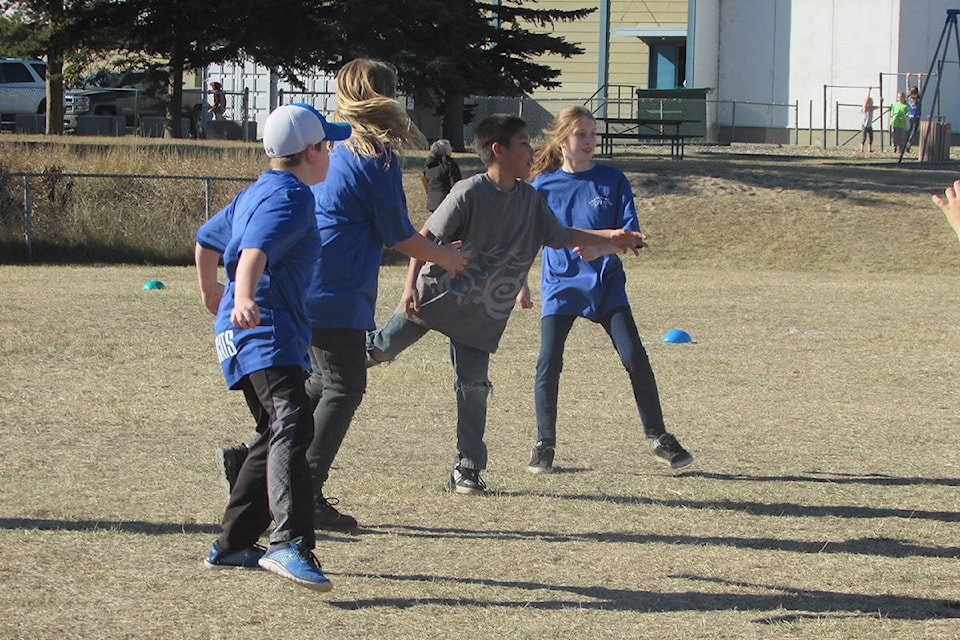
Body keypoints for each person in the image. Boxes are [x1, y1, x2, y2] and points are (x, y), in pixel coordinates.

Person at [217, 59, 470, 532]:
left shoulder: (328, 147)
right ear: (386, 96)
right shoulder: (374, 156)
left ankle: (253, 464)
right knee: (344, 385)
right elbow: (397, 234)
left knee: (317, 383)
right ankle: (303, 491)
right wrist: (445, 258)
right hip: (335, 290)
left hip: (301, 285)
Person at [365, 113, 648, 495]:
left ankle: (467, 468)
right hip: (436, 297)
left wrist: (611, 237)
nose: (532, 152)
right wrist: (408, 288)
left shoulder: (531, 201)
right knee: (380, 351)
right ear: (498, 151)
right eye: (522, 144)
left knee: (474, 387)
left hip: (479, 315)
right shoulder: (468, 191)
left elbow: (561, 235)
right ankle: (327, 366)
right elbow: (425, 235)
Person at [196, 104, 351, 591]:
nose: (331, 153)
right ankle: (288, 543)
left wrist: (211, 295)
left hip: (242, 329)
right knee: (292, 420)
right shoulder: (292, 197)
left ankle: (233, 544)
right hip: (264, 327)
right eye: (328, 145)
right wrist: (240, 296)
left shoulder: (257, 189)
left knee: (274, 429)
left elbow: (206, 240)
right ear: (311, 152)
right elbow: (253, 251)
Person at [520, 105, 693, 475]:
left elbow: (635, 238)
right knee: (548, 362)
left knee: (635, 358)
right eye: (581, 134)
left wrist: (602, 248)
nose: (589, 141)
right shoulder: (543, 186)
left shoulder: (613, 181)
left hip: (606, 287)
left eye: (592, 134)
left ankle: (659, 437)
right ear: (563, 140)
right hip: (561, 287)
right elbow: (525, 239)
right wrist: (521, 284)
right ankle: (544, 443)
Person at [422, 139, 462, 212]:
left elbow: (425, 182)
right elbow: (456, 185)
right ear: (445, 150)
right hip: (446, 203)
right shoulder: (450, 165)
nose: (451, 149)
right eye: (450, 147)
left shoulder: (428, 165)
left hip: (431, 203)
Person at [906, 84, 921, 152]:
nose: (913, 96)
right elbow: (907, 88)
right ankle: (907, 143)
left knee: (914, 131)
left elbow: (920, 89)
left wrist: (919, 78)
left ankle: (909, 144)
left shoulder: (918, 98)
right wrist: (907, 78)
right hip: (911, 116)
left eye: (915, 94)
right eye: (912, 94)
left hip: (917, 116)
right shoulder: (909, 98)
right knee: (910, 130)